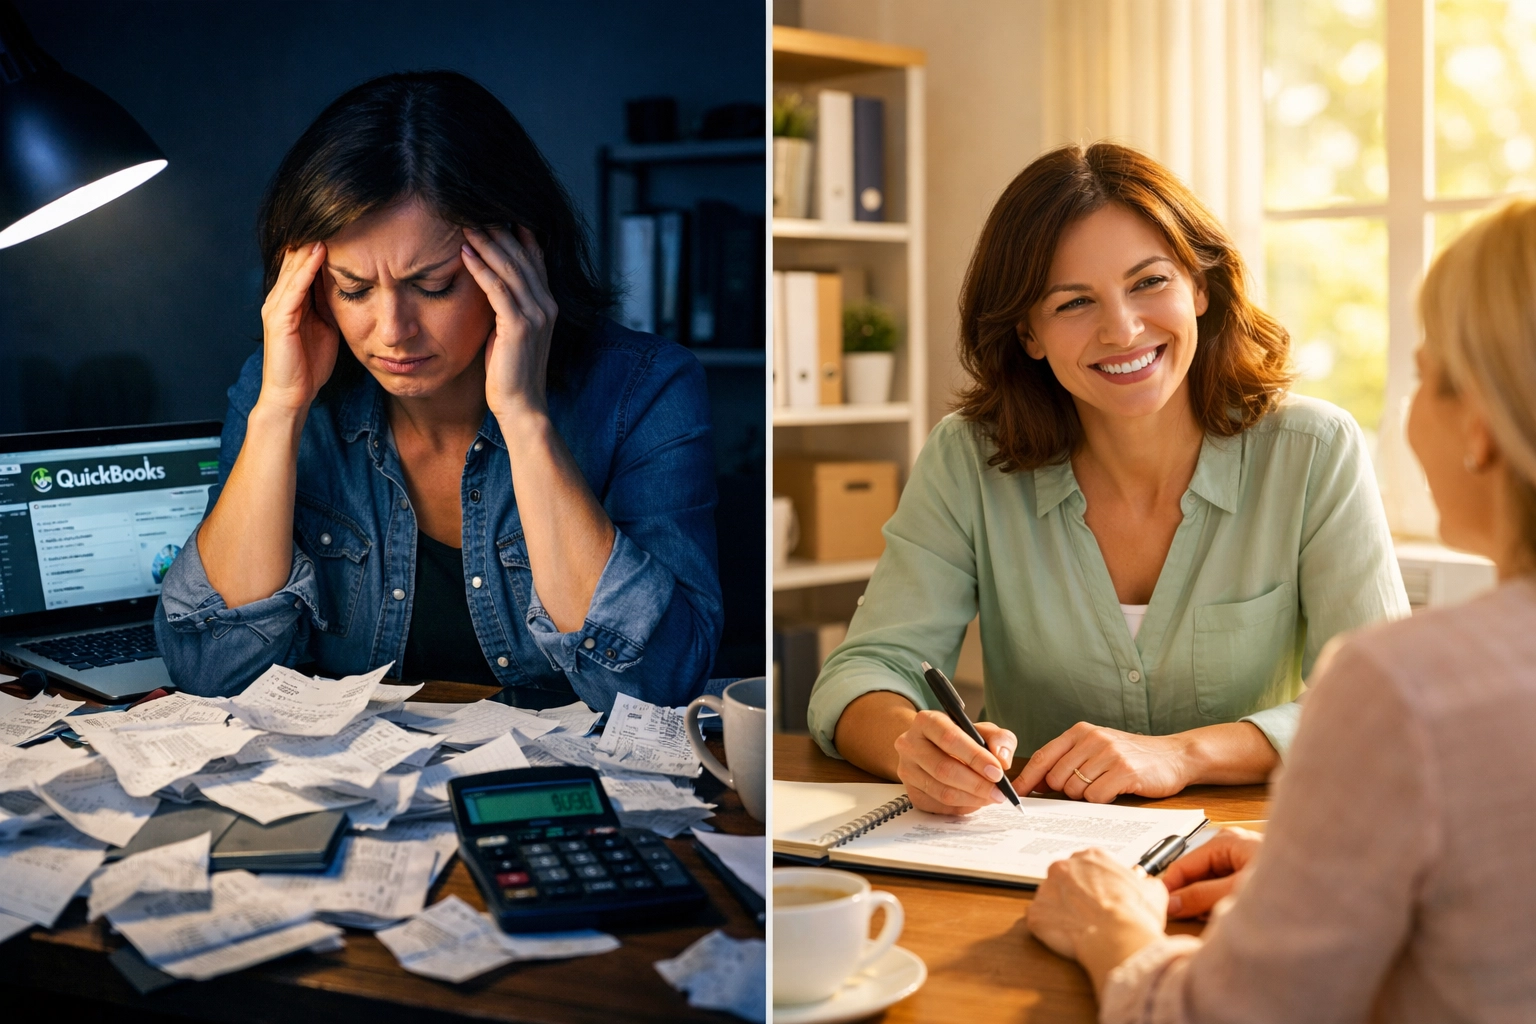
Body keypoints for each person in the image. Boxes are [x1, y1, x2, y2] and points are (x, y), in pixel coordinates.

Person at [1027, 197, 1536, 1022]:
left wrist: (1111, 926)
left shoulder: (1404, 686)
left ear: (1477, 423)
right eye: (1075, 300)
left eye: (1423, 373)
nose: (1120, 328)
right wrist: (1313, 869)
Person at [807, 142, 1408, 813]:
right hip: (1027, 852)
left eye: (1149, 283)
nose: (1122, 330)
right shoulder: (967, 458)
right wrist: (911, 745)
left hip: (1246, 852)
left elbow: (1381, 706)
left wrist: (1182, 754)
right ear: (1028, 334)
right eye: (1073, 303)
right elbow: (865, 671)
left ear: (1199, 287)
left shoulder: (1314, 451)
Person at [154, 71, 721, 710]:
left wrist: (524, 418)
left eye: (433, 286)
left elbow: (657, 688)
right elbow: (209, 671)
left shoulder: (644, 390)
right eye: (353, 290)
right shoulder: (281, 389)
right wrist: (280, 411)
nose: (392, 331)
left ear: (518, 260)